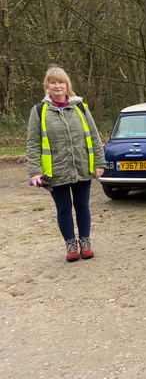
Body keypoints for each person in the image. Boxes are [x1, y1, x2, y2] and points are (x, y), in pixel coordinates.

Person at [26, 66, 106, 262]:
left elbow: (94, 137)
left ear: (67, 85)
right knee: (63, 209)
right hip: (55, 172)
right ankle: (71, 245)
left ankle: (85, 243)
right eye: (53, 82)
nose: (57, 86)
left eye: (61, 82)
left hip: (81, 166)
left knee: (82, 206)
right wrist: (35, 172)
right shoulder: (38, 111)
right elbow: (33, 143)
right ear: (47, 86)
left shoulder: (81, 108)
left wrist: (99, 162)